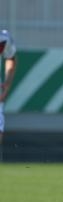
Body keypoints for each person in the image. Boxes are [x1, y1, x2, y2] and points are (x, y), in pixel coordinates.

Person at [0, 29, 17, 162]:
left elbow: (10, 59)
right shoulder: (3, 38)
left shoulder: (3, 39)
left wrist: (6, 85)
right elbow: (11, 59)